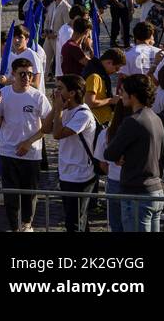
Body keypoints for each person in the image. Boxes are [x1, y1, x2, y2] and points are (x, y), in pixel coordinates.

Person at [0, 56, 51, 231]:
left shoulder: (38, 97)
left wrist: (28, 142)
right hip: (8, 151)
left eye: (30, 74)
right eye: (22, 74)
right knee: (10, 194)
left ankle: (27, 224)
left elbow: (48, 126)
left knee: (29, 193)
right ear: (13, 74)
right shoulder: (4, 94)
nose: (27, 78)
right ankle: (14, 226)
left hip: (31, 153)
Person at [102, 73, 164, 232]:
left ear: (134, 95)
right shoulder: (156, 118)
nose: (120, 95)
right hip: (156, 190)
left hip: (137, 193)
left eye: (123, 91)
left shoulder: (133, 121)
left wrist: (120, 156)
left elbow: (110, 153)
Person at [44, 74, 101, 232]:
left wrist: (59, 111)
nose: (56, 92)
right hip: (66, 172)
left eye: (60, 88)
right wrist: (56, 108)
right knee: (78, 219)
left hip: (81, 175)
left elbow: (57, 134)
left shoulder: (83, 114)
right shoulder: (65, 110)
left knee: (74, 222)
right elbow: (45, 129)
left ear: (72, 93)